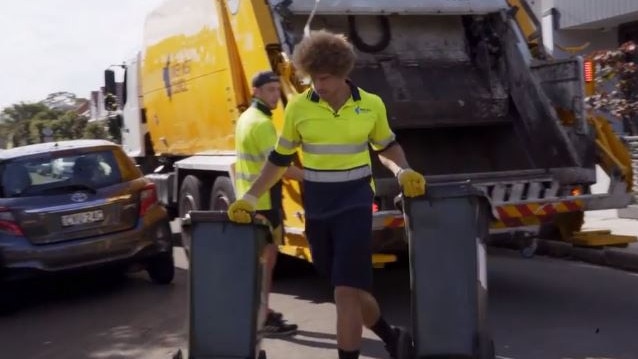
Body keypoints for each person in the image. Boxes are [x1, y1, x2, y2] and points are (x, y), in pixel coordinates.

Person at [228, 30, 427, 358]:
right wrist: (249, 197)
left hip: (356, 200)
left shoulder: (371, 105)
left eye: (325, 78)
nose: (318, 85)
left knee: (345, 292)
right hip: (318, 206)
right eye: (312, 78)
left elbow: (387, 146)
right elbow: (279, 160)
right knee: (342, 285)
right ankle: (391, 336)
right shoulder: (298, 109)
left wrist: (402, 170)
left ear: (343, 72)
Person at [233, 70, 303, 337]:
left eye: (277, 89)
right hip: (262, 203)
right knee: (266, 264)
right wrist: (313, 177)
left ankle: (259, 312)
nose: (276, 94)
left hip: (250, 200)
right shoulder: (261, 124)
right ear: (256, 91)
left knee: (260, 263)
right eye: (270, 90)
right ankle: (262, 317)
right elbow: (280, 167)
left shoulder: (245, 119)